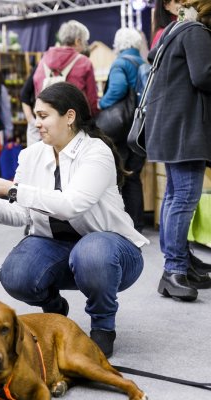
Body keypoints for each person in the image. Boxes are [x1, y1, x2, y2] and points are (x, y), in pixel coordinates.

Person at [0, 82, 149, 358]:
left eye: (43, 116)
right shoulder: (31, 155)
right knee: (16, 274)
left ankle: (102, 327)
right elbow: (22, 214)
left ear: (70, 117)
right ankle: (54, 309)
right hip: (59, 248)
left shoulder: (96, 152)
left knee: (92, 251)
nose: (36, 123)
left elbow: (72, 205)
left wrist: (10, 189)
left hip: (113, 252)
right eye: (36, 115)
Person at [144, 0, 211, 301]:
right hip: (186, 129)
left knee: (174, 196)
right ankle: (173, 270)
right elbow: (203, 75)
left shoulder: (173, 29)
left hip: (170, 127)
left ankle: (181, 263)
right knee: (182, 197)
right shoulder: (196, 31)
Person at [99, 28, 146, 232]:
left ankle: (118, 223)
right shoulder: (144, 63)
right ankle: (137, 223)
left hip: (122, 129)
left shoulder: (121, 62)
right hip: (141, 126)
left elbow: (117, 89)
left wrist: (102, 103)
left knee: (118, 175)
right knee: (134, 176)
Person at [33, 20, 99, 116]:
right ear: (78, 41)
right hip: (75, 123)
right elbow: (92, 101)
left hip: (48, 124)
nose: (85, 46)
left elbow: (37, 94)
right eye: (84, 42)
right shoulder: (84, 62)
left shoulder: (43, 61)